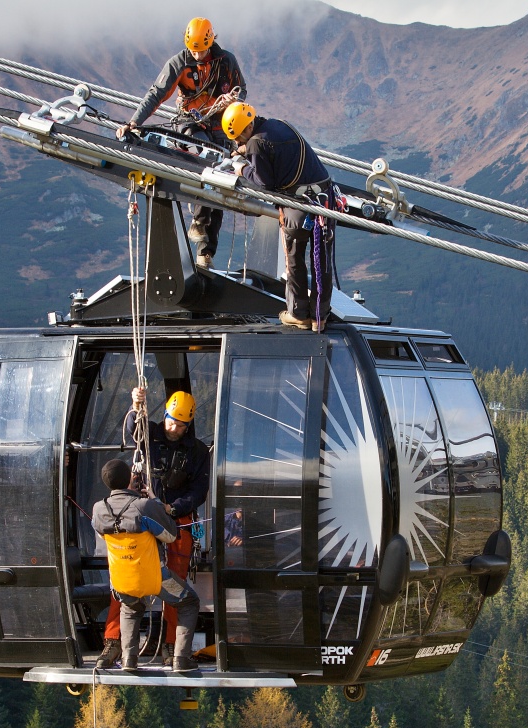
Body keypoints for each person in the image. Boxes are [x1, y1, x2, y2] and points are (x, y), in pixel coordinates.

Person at [115, 17, 246, 269]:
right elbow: (157, 94)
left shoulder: (226, 61)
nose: (197, 54)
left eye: (201, 49)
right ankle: (198, 222)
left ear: (212, 42)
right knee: (207, 159)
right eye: (193, 49)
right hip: (191, 123)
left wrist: (232, 101)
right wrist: (134, 122)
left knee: (220, 188)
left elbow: (241, 90)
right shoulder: (179, 63)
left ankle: (206, 252)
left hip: (220, 125)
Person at [95, 387, 210, 669]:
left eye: (179, 424)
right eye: (170, 420)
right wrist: (136, 405)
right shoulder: (152, 434)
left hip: (175, 516)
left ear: (188, 424)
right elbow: (135, 427)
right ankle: (113, 644)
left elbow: (198, 492)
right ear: (166, 415)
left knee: (175, 583)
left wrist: (172, 509)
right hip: (144, 513)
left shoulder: (196, 452)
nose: (173, 427)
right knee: (125, 579)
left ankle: (171, 647)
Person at [222, 102, 337, 333]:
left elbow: (264, 185)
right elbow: (274, 149)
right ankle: (319, 317)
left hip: (298, 206)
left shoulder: (255, 143)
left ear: (245, 130)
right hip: (324, 198)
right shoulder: (277, 125)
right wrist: (249, 151)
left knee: (295, 259)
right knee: (322, 261)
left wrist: (241, 169)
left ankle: (297, 313)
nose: (239, 144)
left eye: (239, 139)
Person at [92, 458, 200, 672]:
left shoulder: (98, 509)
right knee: (189, 602)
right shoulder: (144, 506)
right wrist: (155, 502)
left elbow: (102, 533)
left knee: (130, 607)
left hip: (122, 579)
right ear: (130, 479)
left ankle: (129, 660)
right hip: (155, 577)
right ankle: (181, 658)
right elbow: (170, 535)